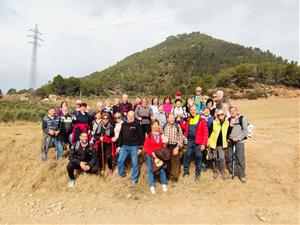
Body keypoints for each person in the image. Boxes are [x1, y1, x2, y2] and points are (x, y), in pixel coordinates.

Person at [181, 104, 208, 182]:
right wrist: (179, 121)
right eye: (191, 110)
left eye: (194, 110)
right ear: (190, 111)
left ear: (197, 110)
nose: (193, 111)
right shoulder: (188, 119)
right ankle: (186, 172)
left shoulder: (202, 120)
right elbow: (184, 127)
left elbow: (206, 133)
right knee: (187, 155)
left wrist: (203, 144)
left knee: (199, 156)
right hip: (189, 140)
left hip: (198, 142)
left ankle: (197, 174)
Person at [116, 111, 143, 185]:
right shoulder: (123, 124)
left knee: (135, 163)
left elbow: (141, 136)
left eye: (132, 116)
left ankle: (134, 179)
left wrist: (140, 148)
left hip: (134, 146)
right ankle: (121, 174)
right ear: (127, 116)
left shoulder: (137, 125)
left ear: (134, 117)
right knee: (120, 161)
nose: (130, 117)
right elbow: (120, 135)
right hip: (124, 146)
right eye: (129, 116)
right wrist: (119, 146)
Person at [144, 119, 169, 194]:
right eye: (154, 125)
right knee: (150, 170)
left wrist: (165, 144)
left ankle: (164, 184)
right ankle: (152, 185)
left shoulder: (161, 134)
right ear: (151, 126)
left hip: (159, 155)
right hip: (150, 154)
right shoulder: (149, 135)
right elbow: (146, 146)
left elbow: (163, 145)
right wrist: (152, 153)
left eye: (157, 125)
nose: (155, 126)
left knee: (161, 169)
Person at [227, 106, 248, 183]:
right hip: (230, 142)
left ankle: (242, 175)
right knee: (231, 158)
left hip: (239, 142)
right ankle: (233, 172)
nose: (232, 112)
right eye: (231, 111)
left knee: (240, 158)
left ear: (236, 111)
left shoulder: (242, 118)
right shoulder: (228, 120)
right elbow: (227, 131)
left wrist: (238, 138)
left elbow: (245, 130)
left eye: (234, 110)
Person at [163, 113, 184, 186]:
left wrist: (178, 147)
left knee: (175, 162)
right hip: (167, 146)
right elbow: (162, 136)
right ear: (167, 119)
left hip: (175, 146)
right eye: (170, 118)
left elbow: (181, 138)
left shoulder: (177, 126)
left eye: (173, 118)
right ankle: (168, 176)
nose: (171, 119)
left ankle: (174, 178)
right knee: (168, 162)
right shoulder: (164, 126)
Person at [208, 109, 229, 180]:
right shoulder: (214, 122)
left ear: (224, 114)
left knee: (222, 158)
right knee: (215, 158)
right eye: (219, 115)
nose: (220, 116)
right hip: (214, 143)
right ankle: (215, 171)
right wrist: (208, 142)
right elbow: (209, 132)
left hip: (221, 143)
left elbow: (228, 132)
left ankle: (223, 172)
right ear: (217, 115)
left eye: (222, 114)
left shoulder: (227, 123)